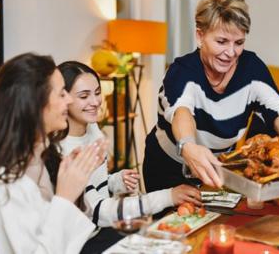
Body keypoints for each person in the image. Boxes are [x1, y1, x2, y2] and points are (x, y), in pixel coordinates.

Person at [142, 0, 279, 192]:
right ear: (200, 37)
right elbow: (182, 112)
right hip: (169, 169)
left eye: (239, 43)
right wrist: (188, 146)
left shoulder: (251, 69)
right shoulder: (182, 71)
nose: (230, 52)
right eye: (221, 41)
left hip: (218, 167)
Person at [57, 61, 202, 253]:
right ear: (62, 99)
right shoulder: (63, 151)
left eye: (98, 92)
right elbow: (97, 211)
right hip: (82, 241)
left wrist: (116, 181)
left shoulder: (92, 129)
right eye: (84, 96)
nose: (95, 102)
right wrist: (168, 196)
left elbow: (93, 186)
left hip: (103, 228)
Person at [0, 53, 104, 253]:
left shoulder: (45, 155)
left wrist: (76, 184)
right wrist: (65, 197)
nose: (69, 100)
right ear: (35, 106)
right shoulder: (6, 182)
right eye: (61, 94)